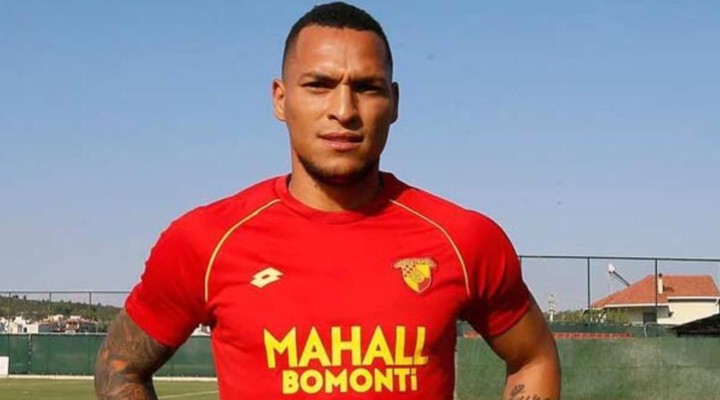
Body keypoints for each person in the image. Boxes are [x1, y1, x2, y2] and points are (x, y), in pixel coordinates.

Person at [94, 2, 561, 399]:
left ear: (394, 102)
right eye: (319, 85)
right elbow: (120, 366)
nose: (343, 110)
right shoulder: (205, 240)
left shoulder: (464, 239)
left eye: (367, 87)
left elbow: (532, 357)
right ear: (280, 99)